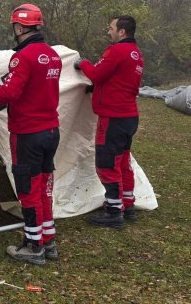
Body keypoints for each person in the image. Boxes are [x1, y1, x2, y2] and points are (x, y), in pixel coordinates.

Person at [0, 4, 63, 265]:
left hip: (28, 133)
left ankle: (33, 246)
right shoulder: (52, 55)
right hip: (51, 130)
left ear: (19, 27)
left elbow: (11, 91)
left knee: (28, 189)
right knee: (44, 188)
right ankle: (48, 240)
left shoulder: (23, 57)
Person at [74, 15, 144, 228]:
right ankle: (128, 204)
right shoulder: (136, 54)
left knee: (107, 163)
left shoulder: (116, 51)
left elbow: (96, 73)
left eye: (111, 28)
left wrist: (82, 63)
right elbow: (118, 80)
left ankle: (114, 211)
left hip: (113, 118)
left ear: (122, 31)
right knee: (122, 162)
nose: (108, 31)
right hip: (129, 116)